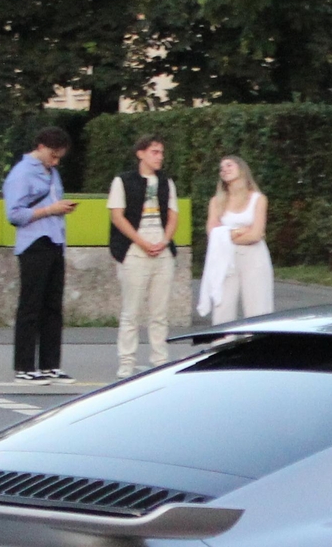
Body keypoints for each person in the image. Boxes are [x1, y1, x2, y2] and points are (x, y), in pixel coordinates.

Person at [4, 125, 78, 379]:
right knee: (31, 306)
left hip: (55, 240)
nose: (56, 162)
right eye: (53, 156)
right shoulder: (22, 173)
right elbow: (14, 214)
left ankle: (50, 364)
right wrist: (50, 210)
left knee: (52, 306)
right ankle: (24, 366)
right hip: (34, 242)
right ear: (41, 147)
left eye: (59, 158)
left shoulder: (52, 172)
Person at [108, 135, 177, 375]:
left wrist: (164, 241)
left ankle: (160, 359)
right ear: (141, 153)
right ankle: (126, 363)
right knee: (131, 311)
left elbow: (172, 215)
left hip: (162, 250)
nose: (159, 157)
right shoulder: (123, 181)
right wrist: (141, 242)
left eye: (161, 153)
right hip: (135, 251)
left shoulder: (166, 182)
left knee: (159, 311)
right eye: (154, 152)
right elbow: (118, 216)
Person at [195, 154, 274, 323]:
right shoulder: (217, 201)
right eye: (222, 168)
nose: (224, 170)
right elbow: (212, 232)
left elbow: (256, 234)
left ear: (241, 169)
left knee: (258, 308)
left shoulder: (258, 199)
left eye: (229, 165)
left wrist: (226, 234)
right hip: (225, 258)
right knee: (222, 307)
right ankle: (222, 346)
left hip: (254, 258)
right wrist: (237, 232)